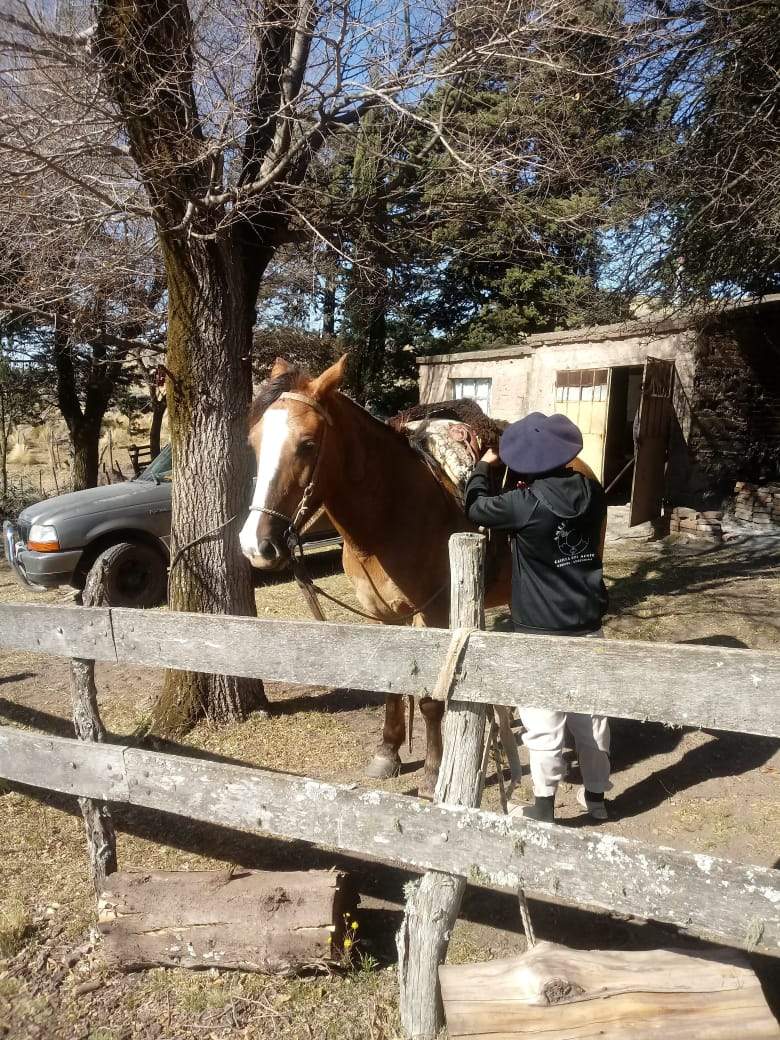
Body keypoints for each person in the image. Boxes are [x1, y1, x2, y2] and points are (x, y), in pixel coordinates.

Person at [465, 412, 611, 824]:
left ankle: (544, 806)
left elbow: (475, 507)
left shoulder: (522, 505)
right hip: (587, 622)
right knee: (593, 716)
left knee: (543, 720)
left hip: (539, 629)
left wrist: (483, 466)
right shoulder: (591, 491)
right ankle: (597, 799)